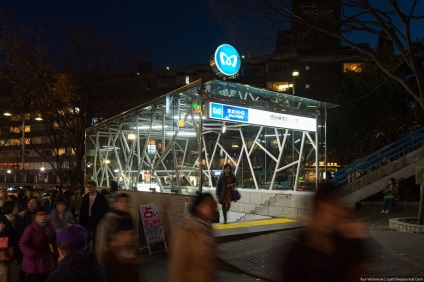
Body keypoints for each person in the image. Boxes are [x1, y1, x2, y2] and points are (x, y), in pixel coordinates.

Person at [282, 182, 369, 282]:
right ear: (318, 208)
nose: (337, 211)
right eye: (332, 204)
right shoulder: (296, 257)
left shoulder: (340, 243)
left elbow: (357, 271)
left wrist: (354, 238)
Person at [169, 193, 217, 282]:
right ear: (199, 207)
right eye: (209, 205)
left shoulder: (208, 230)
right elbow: (177, 268)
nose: (213, 208)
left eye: (213, 205)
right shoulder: (184, 232)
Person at [19, 206, 58, 282]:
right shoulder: (30, 228)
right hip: (34, 261)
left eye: (44, 214)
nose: (42, 217)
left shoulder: (50, 227)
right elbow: (22, 244)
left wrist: (56, 254)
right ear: (35, 216)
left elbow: (54, 241)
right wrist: (31, 253)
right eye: (40, 215)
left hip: (46, 260)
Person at [95, 193, 134, 263]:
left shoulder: (129, 217)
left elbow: (132, 238)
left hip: (126, 258)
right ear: (116, 204)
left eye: (127, 202)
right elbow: (102, 241)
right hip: (111, 259)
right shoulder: (109, 219)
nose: (124, 204)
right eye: (121, 202)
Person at [101, 214, 139, 282]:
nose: (133, 237)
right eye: (130, 234)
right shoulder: (110, 257)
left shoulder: (130, 254)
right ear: (120, 234)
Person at [79, 180, 109, 251]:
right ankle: (87, 251)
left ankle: (95, 252)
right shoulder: (86, 197)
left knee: (96, 236)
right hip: (87, 218)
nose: (89, 188)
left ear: (95, 187)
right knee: (86, 235)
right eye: (88, 187)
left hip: (96, 218)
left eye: (91, 187)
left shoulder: (100, 197)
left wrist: (100, 217)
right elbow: (83, 210)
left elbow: (105, 209)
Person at [0, 201, 24, 282]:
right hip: (2, 252)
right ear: (10, 208)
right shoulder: (1, 219)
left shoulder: (19, 219)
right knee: (3, 274)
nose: (17, 209)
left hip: (15, 251)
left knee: (12, 275)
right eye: (15, 207)